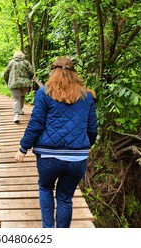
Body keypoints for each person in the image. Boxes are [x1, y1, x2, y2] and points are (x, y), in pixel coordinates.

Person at [15, 56, 98, 228]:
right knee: (65, 198)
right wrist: (83, 146)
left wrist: (23, 148)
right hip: (77, 159)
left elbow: (36, 124)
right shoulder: (87, 96)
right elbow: (92, 128)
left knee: (45, 188)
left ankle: (48, 231)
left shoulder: (44, 93)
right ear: (74, 73)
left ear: (52, 72)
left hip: (48, 157)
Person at [4, 50, 34, 123]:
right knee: (22, 96)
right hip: (25, 85)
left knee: (16, 99)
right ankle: (20, 110)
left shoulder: (11, 63)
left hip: (14, 84)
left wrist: (8, 81)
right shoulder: (26, 62)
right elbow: (31, 72)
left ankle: (16, 115)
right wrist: (28, 79)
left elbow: (5, 73)